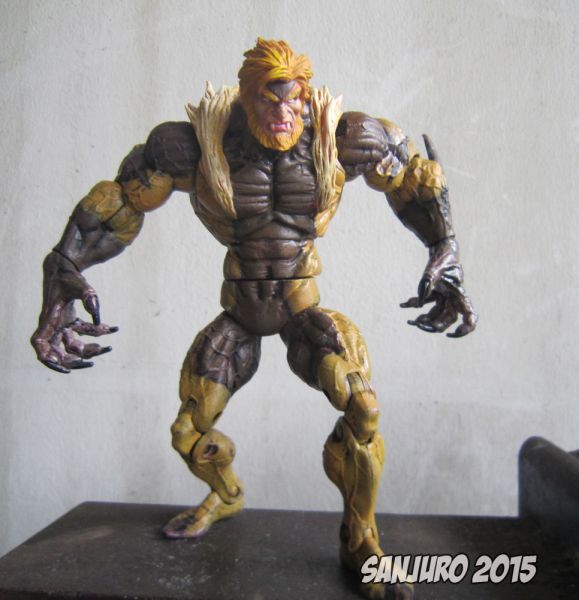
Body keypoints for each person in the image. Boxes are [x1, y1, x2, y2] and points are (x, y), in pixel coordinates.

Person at [31, 38, 477, 599]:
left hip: (301, 310)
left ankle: (360, 537)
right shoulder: (194, 145)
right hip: (239, 314)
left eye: (294, 100)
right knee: (188, 433)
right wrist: (64, 264)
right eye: (270, 100)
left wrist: (445, 248)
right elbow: (120, 201)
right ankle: (226, 494)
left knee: (364, 408)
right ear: (246, 97)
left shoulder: (341, 138)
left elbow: (412, 179)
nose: (284, 113)